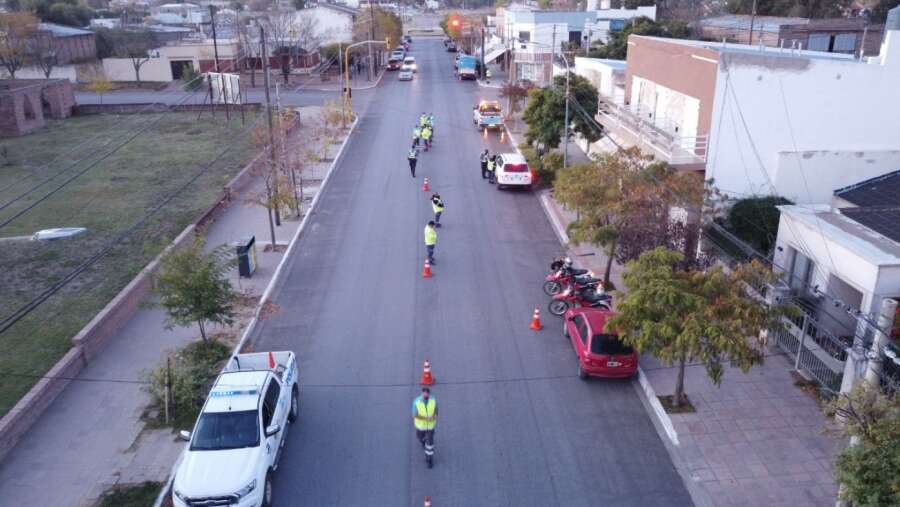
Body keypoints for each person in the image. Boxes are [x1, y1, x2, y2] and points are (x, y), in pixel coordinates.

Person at [412, 387, 437, 468]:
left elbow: (436, 410)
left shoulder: (433, 400)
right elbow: (414, 415)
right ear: (422, 393)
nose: (426, 395)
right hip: (421, 426)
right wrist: (425, 418)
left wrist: (435, 415)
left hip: (430, 426)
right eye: (424, 393)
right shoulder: (417, 402)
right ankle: (423, 441)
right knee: (420, 437)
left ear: (429, 394)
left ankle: (429, 459)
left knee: (430, 443)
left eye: (427, 393)